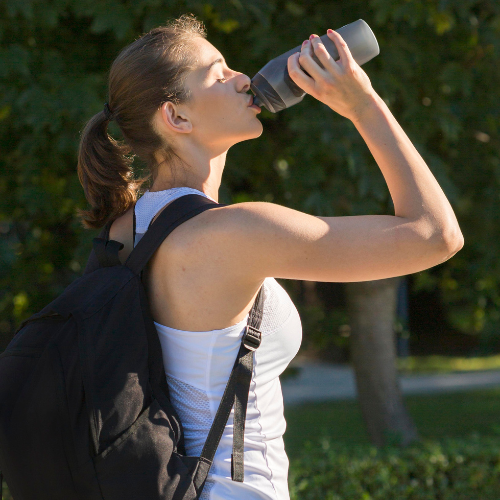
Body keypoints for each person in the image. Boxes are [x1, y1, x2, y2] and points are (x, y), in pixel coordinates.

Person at [77, 13, 464, 500]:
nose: (243, 79)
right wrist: (362, 103)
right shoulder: (231, 232)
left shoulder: (126, 228)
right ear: (176, 117)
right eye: (219, 74)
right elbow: (435, 235)